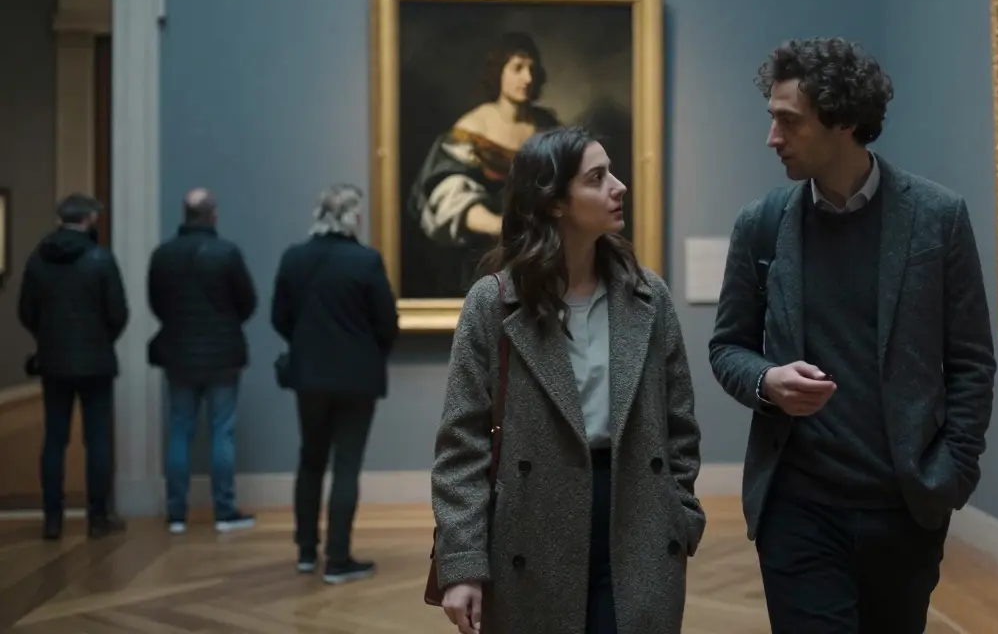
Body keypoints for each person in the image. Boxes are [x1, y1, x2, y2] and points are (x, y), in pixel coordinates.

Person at [708, 37, 997, 633]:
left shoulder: (937, 218)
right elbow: (726, 346)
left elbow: (970, 360)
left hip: (905, 507)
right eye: (772, 119)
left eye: (789, 121)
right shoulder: (761, 226)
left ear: (842, 121)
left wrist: (952, 473)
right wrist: (767, 379)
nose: (772, 138)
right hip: (798, 505)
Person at [431, 126, 704, 634]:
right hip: (531, 527)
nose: (619, 186)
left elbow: (679, 424)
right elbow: (460, 446)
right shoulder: (493, 304)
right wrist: (463, 563)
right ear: (554, 202)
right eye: (598, 178)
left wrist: (680, 514)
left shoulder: (648, 298)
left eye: (612, 173)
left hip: (636, 515)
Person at [271, 184, 400, 583]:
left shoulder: (294, 259)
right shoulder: (365, 262)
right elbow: (387, 324)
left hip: (309, 377)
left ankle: (307, 552)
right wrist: (369, 350)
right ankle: (339, 559)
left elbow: (280, 317)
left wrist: (306, 345)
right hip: (357, 377)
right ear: (354, 216)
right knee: (346, 465)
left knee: (310, 460)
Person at [407, 31, 561, 297]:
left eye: (532, 69)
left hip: (545, 254)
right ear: (498, 73)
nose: (527, 78)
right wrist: (501, 227)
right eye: (517, 69)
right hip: (487, 257)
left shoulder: (546, 125)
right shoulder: (471, 128)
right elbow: (446, 196)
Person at [146, 188, 258, 534]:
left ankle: (176, 514)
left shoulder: (163, 254)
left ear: (184, 214)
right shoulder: (226, 253)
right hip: (223, 354)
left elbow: (157, 303)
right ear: (214, 215)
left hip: (178, 352)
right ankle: (224, 511)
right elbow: (247, 302)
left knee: (179, 430)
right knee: (221, 431)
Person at [18, 193, 129, 540]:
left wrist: (46, 336)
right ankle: (98, 517)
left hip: (54, 361)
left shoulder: (39, 259)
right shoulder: (100, 259)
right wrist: (101, 338)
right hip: (95, 361)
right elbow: (118, 313)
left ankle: (53, 519)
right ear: (89, 220)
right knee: (97, 440)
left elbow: (26, 311)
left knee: (55, 440)